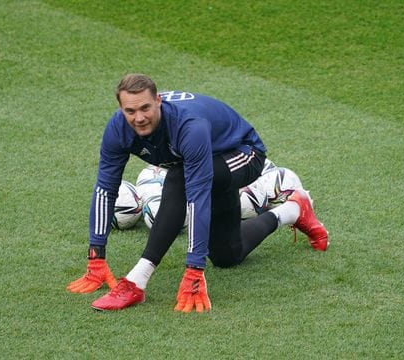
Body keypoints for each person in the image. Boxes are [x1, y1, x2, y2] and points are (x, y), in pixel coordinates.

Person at [66, 74, 329, 313]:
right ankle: (294, 208)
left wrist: (194, 269)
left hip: (242, 153)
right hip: (202, 157)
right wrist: (96, 257)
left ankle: (136, 281)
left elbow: (197, 196)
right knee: (227, 255)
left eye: (145, 108)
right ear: (121, 109)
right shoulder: (118, 128)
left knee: (179, 179)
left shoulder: (188, 126)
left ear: (158, 101)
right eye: (130, 111)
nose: (139, 117)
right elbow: (105, 188)